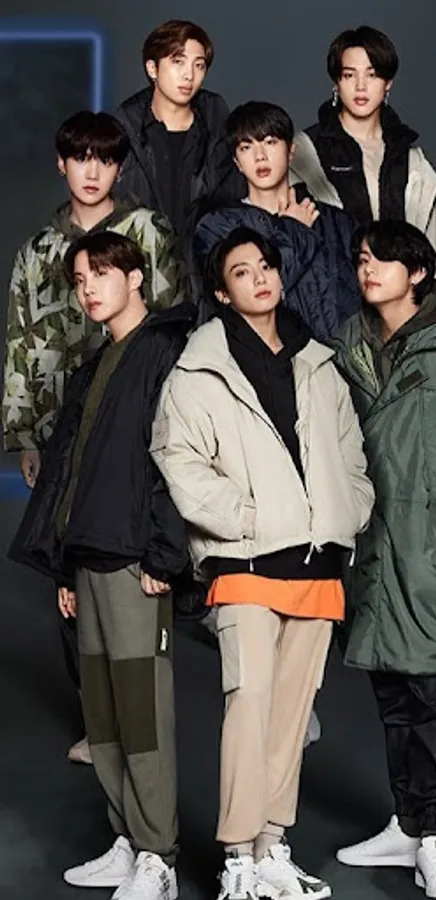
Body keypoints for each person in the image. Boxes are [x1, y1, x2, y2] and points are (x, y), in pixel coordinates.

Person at [151, 226, 374, 900]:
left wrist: (347, 510)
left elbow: (351, 453)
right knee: (248, 704)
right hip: (244, 561)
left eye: (265, 267)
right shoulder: (197, 369)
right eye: (241, 272)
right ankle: (237, 859)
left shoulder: (318, 363)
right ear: (222, 292)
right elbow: (177, 457)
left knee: (290, 714)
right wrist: (244, 518)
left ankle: (272, 845)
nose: (259, 279)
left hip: (317, 563)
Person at [9, 231, 198, 900]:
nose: (88, 288)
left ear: (136, 277)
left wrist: (164, 553)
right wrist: (64, 567)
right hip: (88, 559)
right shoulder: (97, 366)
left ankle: (158, 858)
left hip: (134, 562)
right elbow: (73, 475)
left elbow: (178, 456)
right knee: (105, 714)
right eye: (80, 279)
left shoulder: (164, 351)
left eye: (101, 273)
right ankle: (128, 840)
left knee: (142, 715)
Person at [2, 110, 185, 763]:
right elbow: (21, 340)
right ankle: (95, 715)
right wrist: (26, 433)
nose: (91, 171)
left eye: (104, 159)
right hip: (62, 426)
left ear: (118, 167)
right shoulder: (38, 251)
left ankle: (140, 711)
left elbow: (172, 321)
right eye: (80, 158)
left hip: (132, 416)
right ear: (62, 164)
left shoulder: (147, 233)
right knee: (67, 572)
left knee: (132, 559)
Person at [331, 220, 436, 899]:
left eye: (383, 260)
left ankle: (433, 838)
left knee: (431, 703)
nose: (368, 269)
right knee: (394, 700)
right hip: (369, 550)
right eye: (362, 259)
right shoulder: (345, 347)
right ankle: (405, 825)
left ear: (419, 273)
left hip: (432, 552)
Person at [289, 26, 436, 316]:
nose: (361, 87)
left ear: (388, 83)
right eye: (349, 75)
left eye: (372, 75)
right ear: (336, 81)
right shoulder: (304, 154)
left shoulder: (412, 161)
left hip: (406, 318)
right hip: (332, 318)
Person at [196, 100, 361, 340]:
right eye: (246, 147)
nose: (260, 156)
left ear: (291, 151)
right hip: (267, 360)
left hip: (341, 359)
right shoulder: (218, 227)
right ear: (237, 162)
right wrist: (295, 230)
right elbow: (242, 300)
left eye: (270, 142)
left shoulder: (337, 222)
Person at [115, 19, 244, 302]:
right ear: (152, 69)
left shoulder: (218, 131)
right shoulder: (123, 134)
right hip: (138, 288)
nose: (189, 75)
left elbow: (233, 206)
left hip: (208, 287)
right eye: (178, 61)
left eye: (199, 65)